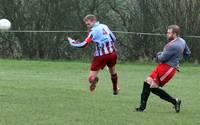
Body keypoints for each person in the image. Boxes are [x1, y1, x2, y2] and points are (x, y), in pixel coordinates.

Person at [135, 25, 191, 113]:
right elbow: (187, 53)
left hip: (167, 69)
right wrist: (177, 60)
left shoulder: (172, 45)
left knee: (153, 88)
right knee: (147, 82)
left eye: (169, 33)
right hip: (163, 66)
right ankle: (142, 108)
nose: (167, 34)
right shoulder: (182, 41)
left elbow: (161, 58)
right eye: (167, 32)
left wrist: (158, 53)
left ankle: (175, 101)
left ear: (175, 34)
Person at [65, 14, 120, 95]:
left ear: (94, 21)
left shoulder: (93, 31)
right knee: (113, 71)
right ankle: (115, 89)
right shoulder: (104, 26)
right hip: (112, 54)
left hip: (100, 56)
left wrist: (72, 42)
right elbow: (114, 38)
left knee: (91, 77)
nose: (87, 25)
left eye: (88, 23)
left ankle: (93, 80)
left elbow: (84, 44)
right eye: (86, 24)